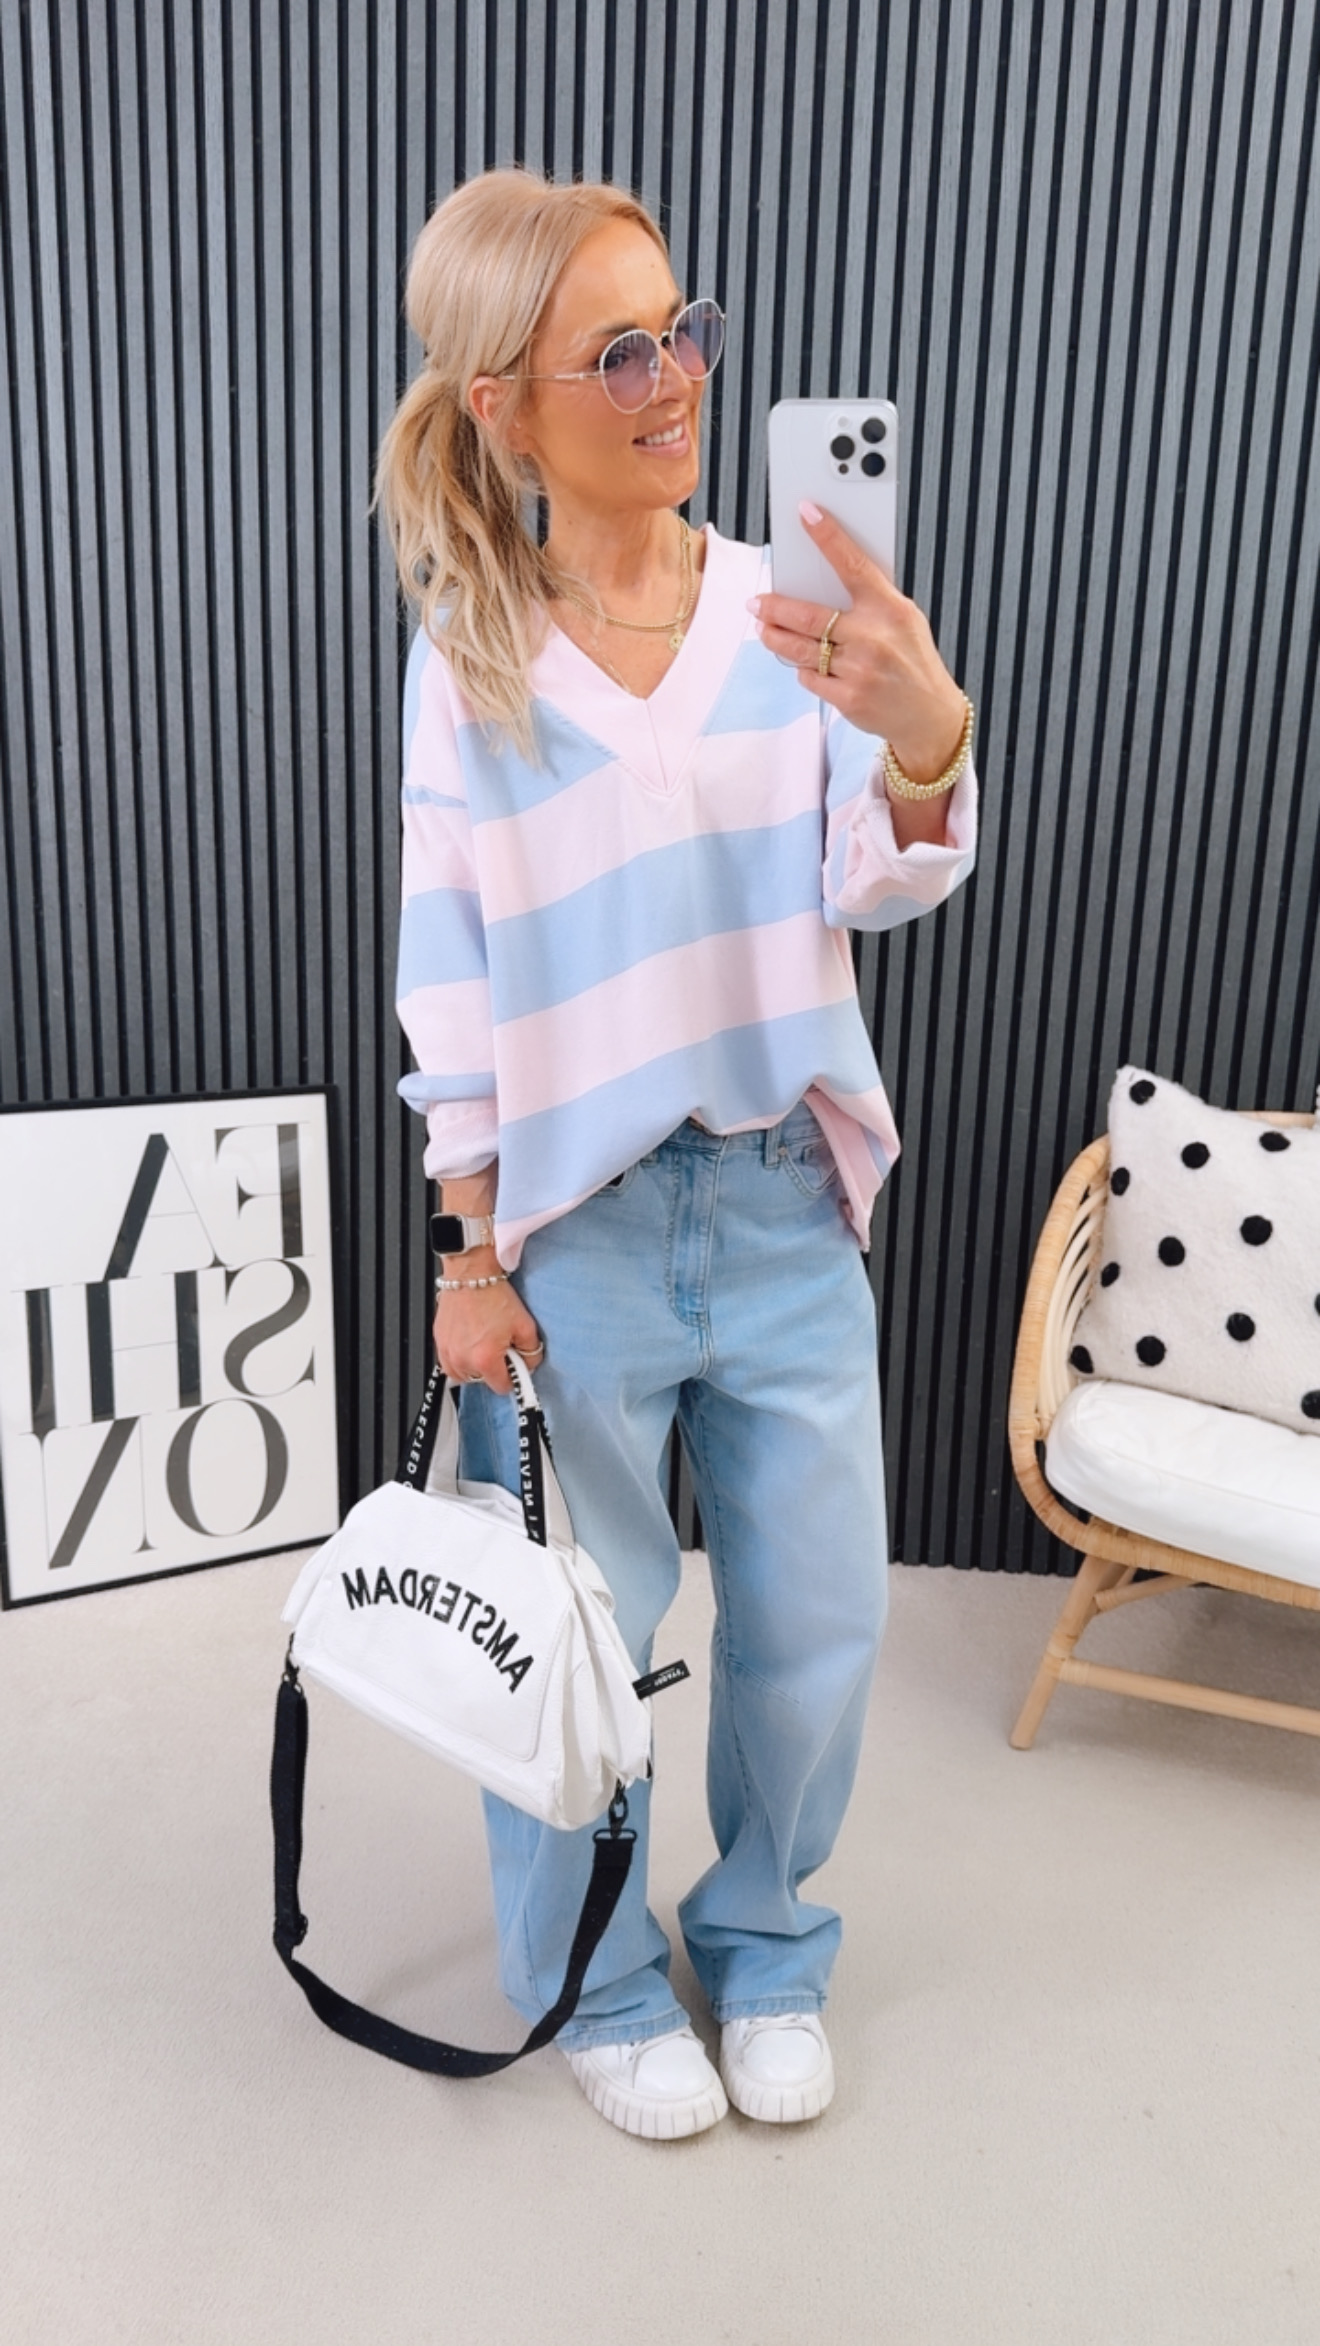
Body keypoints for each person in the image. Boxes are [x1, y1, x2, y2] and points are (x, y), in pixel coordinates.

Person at [375, 168, 976, 2140]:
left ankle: (770, 1938)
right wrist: (471, 1252)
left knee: (816, 1631)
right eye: (617, 352)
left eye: (683, 329)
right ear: (502, 404)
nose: (676, 378)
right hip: (578, 1240)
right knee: (576, 1648)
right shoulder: (470, 659)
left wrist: (924, 736)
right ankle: (599, 1976)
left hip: (786, 1206)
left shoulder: (790, 616)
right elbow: (450, 980)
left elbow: (877, 880)